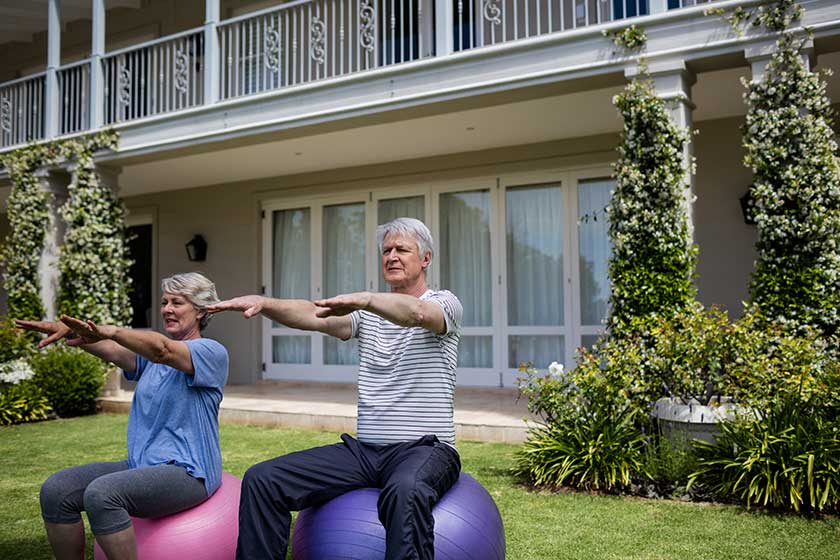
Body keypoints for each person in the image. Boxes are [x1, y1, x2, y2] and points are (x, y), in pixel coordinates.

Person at [208, 217, 463, 560]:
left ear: (426, 259)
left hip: (426, 449)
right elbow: (314, 315)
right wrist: (266, 303)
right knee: (263, 479)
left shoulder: (445, 303)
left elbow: (417, 313)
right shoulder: (366, 315)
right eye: (386, 250)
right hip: (367, 452)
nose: (392, 256)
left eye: (402, 249)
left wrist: (365, 298)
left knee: (406, 490)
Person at [16, 272, 229, 560]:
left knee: (103, 494)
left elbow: (162, 350)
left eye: (177, 302)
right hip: (141, 464)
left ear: (202, 311)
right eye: (165, 301)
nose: (167, 309)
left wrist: (112, 330)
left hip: (190, 472)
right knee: (57, 490)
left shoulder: (210, 352)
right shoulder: (150, 361)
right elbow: (114, 351)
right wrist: (69, 331)